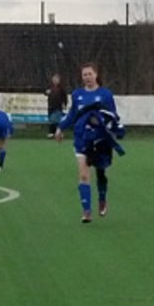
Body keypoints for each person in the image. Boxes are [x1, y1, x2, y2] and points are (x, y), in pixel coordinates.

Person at [54, 63, 123, 223]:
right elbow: (72, 114)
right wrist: (60, 128)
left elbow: (112, 115)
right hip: (82, 138)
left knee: (101, 172)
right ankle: (86, 211)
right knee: (84, 175)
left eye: (89, 74)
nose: (87, 77)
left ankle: (102, 197)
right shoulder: (78, 94)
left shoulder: (105, 94)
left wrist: (115, 131)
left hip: (100, 140)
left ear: (96, 75)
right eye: (84, 75)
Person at [45, 73, 69, 139]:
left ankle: (54, 133)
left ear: (59, 80)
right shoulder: (50, 86)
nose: (55, 80)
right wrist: (46, 92)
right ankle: (53, 133)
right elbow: (45, 92)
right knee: (51, 120)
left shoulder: (61, 88)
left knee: (56, 120)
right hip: (50, 106)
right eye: (54, 79)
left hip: (58, 106)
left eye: (56, 79)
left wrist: (65, 104)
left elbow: (65, 97)